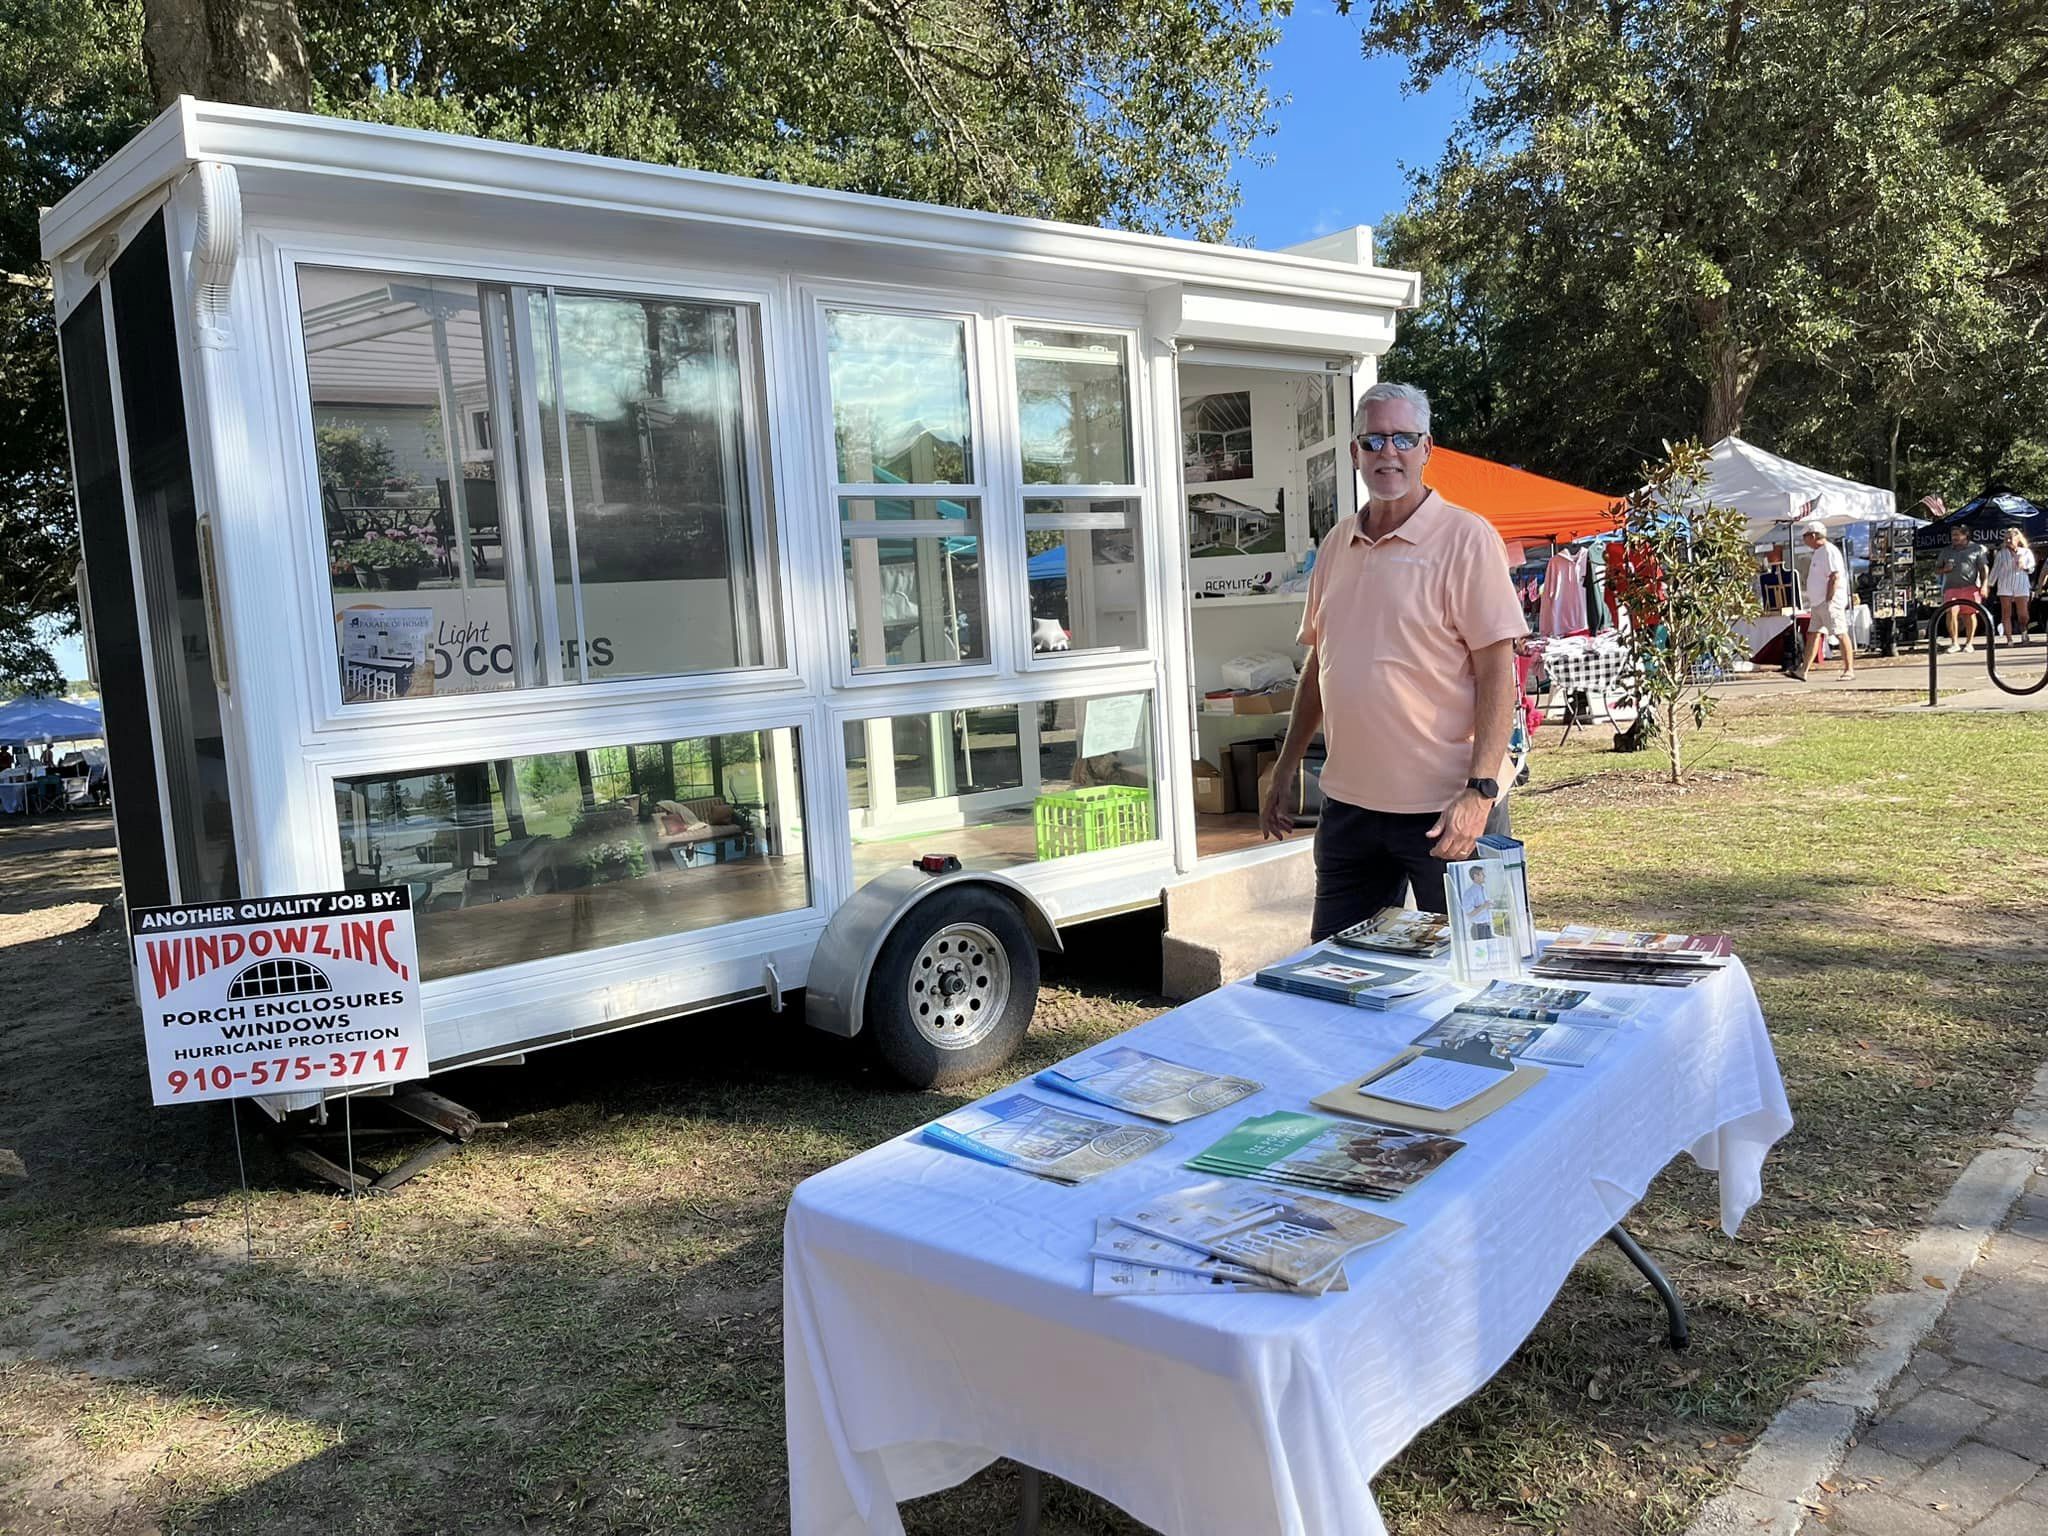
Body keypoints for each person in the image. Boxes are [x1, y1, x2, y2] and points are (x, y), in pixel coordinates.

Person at [1261, 381, 1526, 940]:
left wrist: (1481, 792)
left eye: (1404, 438)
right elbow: (1321, 665)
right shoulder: (1336, 545)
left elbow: (1497, 674)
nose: (1388, 452)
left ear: (1427, 449)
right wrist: (1286, 766)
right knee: (1337, 973)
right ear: (1354, 452)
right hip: (1349, 813)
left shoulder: (1467, 539)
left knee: (1481, 967)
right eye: (1374, 440)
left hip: (1448, 811)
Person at [1794, 520, 1854, 680]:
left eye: (1805, 536)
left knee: (1840, 632)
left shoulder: (1829, 551)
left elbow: (1834, 576)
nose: (1804, 540)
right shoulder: (1818, 552)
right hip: (1818, 603)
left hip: (1829, 602)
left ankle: (1849, 670)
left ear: (1813, 535)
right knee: (1813, 634)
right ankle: (1803, 670)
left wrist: (1829, 598)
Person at [1936, 522, 1989, 652]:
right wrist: (1944, 569)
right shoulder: (1946, 551)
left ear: (1966, 535)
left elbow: (1983, 568)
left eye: (1957, 535)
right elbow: (1936, 570)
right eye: (1952, 535)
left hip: (1970, 587)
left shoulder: (1976, 549)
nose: (1954, 537)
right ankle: (1954, 643)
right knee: (1951, 612)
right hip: (1951, 588)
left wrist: (1984, 585)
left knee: (1969, 614)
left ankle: (1969, 643)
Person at [1988, 527, 2036, 645]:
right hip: (2005, 585)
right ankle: (2009, 639)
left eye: (2010, 538)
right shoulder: (2001, 553)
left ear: (2017, 539)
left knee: (2023, 614)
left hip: (2021, 584)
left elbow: (2032, 568)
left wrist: (2024, 566)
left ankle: (2024, 630)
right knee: (2006, 613)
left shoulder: (2026, 552)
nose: (2008, 541)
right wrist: (1989, 585)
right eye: (2006, 539)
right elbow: (1995, 570)